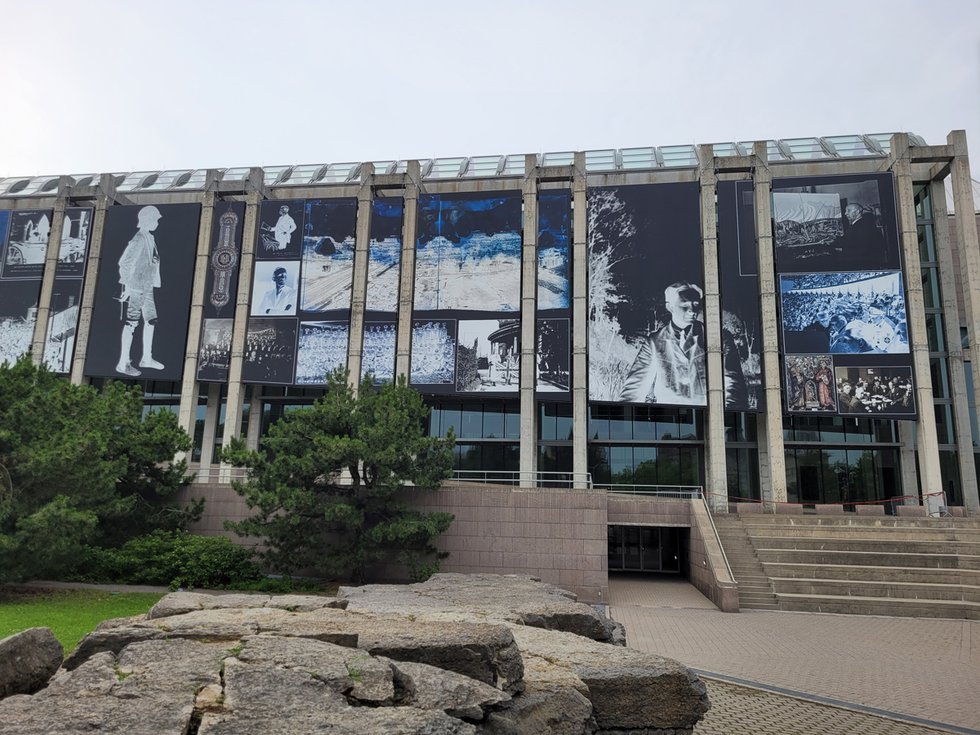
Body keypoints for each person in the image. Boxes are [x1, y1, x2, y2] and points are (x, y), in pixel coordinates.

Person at [620, 282, 706, 405]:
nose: (692, 310)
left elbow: (732, 389)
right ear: (670, 307)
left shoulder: (718, 339)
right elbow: (633, 390)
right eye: (685, 304)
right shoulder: (654, 342)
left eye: (696, 304)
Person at [115, 205, 164, 376]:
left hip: (147, 286)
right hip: (137, 287)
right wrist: (128, 286)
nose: (157, 223)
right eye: (155, 219)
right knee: (131, 323)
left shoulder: (150, 237)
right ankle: (123, 363)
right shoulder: (139, 239)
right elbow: (125, 263)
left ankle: (147, 358)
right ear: (148, 220)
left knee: (151, 321)